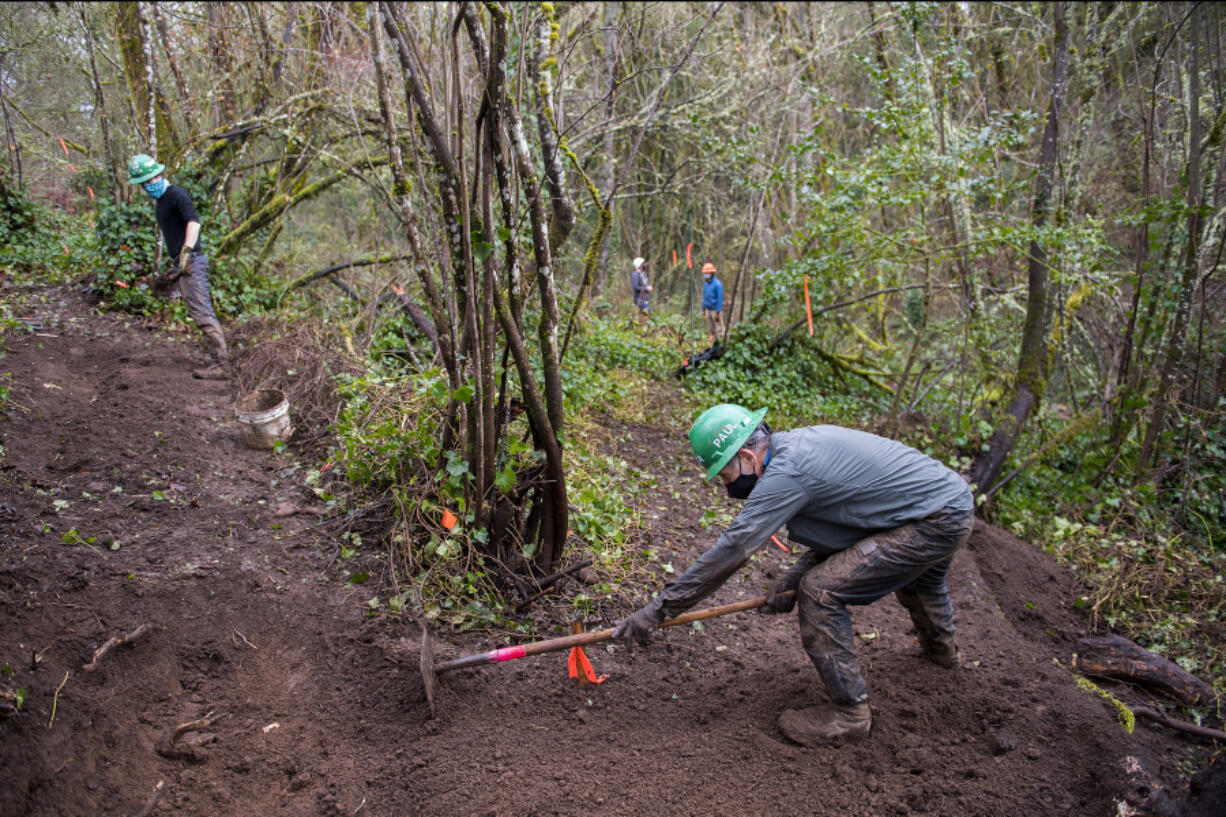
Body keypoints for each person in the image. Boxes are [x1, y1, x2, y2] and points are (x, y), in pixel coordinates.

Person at [613, 404, 974, 745]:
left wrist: (660, 608)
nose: (727, 490)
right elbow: (856, 524)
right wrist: (791, 578)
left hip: (933, 519)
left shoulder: (788, 474)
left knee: (821, 591)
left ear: (748, 457)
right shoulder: (798, 449)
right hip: (946, 503)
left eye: (726, 475)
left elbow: (734, 549)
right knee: (921, 582)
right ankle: (942, 656)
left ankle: (850, 714)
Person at [128, 154, 229, 380]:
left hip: (192, 261)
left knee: (202, 312)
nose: (148, 186)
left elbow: (194, 221)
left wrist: (186, 251)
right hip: (181, 262)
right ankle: (216, 357)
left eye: (150, 180)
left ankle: (222, 365)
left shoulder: (176, 194)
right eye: (144, 183)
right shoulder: (161, 201)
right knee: (188, 306)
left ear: (159, 174)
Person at [700, 262, 725, 345]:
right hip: (708, 309)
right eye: (705, 274)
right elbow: (704, 296)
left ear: (712, 273)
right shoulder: (706, 284)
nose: (706, 275)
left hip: (715, 310)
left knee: (718, 328)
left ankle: (721, 343)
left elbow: (720, 299)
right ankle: (713, 343)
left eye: (707, 273)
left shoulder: (718, 284)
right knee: (711, 328)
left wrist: (718, 312)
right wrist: (703, 309)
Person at [630, 256, 652, 322]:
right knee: (650, 314)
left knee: (646, 317)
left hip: (645, 299)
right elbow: (635, 287)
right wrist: (646, 288)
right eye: (643, 264)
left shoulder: (643, 274)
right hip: (639, 299)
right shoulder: (635, 275)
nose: (644, 265)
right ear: (639, 265)